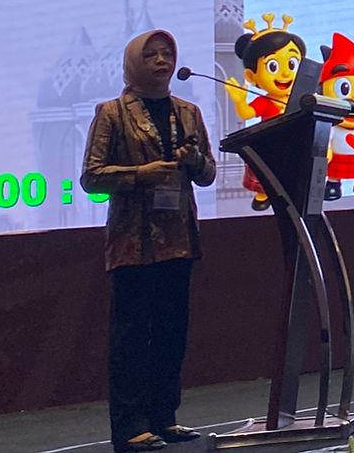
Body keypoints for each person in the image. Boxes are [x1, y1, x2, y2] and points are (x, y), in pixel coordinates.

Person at [81, 30, 216, 452]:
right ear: (134, 63)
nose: (162, 61)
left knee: (172, 333)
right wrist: (141, 175)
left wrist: (194, 161)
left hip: (178, 239)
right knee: (132, 339)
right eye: (152, 55)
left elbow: (208, 174)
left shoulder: (189, 112)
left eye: (167, 54)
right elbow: (91, 177)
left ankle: (164, 417)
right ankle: (130, 426)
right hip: (133, 242)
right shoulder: (112, 113)